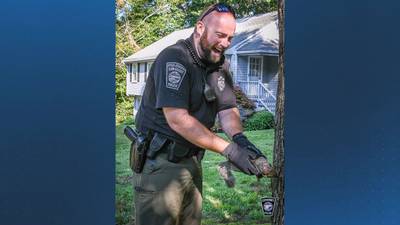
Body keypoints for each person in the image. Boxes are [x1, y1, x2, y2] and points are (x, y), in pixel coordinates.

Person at [133, 3, 269, 225]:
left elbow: (227, 108)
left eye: (230, 38)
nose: (225, 43)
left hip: (193, 162)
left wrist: (240, 139)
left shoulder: (219, 65)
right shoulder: (175, 58)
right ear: (199, 28)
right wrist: (230, 150)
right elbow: (177, 119)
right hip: (160, 164)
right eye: (220, 35)